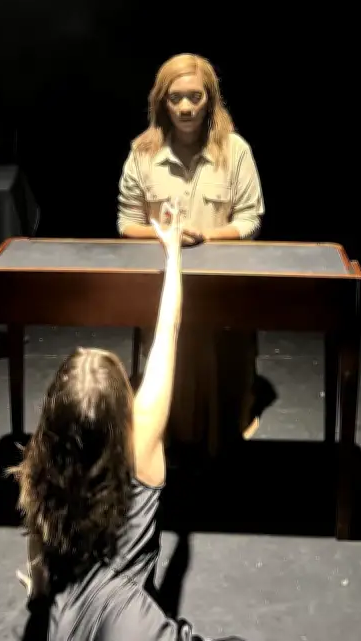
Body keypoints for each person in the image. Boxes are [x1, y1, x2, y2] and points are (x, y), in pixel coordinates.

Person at [8, 203, 245, 640]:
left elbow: (37, 545)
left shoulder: (42, 467)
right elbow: (168, 330)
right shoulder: (140, 447)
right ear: (123, 412)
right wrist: (173, 254)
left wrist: (40, 594)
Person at [117, 53, 266, 461]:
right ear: (162, 102)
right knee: (172, 364)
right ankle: (169, 432)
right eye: (175, 98)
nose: (185, 107)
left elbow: (250, 219)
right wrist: (168, 238)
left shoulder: (235, 151)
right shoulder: (142, 153)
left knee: (225, 374)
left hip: (222, 286)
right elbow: (127, 222)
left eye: (195, 97)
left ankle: (226, 429)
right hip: (164, 285)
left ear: (210, 99)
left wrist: (203, 238)